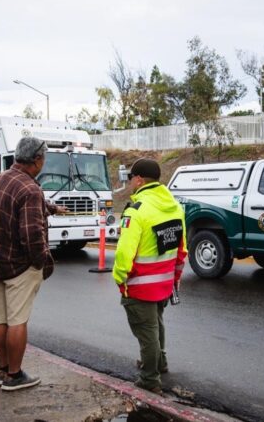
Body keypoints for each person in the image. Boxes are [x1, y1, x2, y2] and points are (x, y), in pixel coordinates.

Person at [0, 136, 57, 392]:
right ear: (36, 159)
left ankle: (2, 371)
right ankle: (15, 375)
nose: (44, 162)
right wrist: (43, 261)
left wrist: (49, 208)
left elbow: (14, 206)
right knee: (17, 321)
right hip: (18, 267)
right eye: (44, 158)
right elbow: (32, 235)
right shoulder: (31, 188)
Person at [112, 158, 187, 394]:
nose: (130, 183)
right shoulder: (175, 206)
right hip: (164, 283)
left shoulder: (136, 211)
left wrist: (119, 277)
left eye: (131, 178)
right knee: (156, 324)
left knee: (146, 332)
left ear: (139, 179)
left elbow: (125, 252)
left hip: (140, 286)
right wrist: (175, 277)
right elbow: (181, 248)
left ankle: (149, 379)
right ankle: (159, 362)